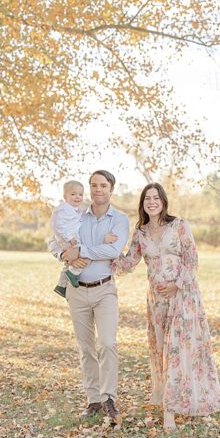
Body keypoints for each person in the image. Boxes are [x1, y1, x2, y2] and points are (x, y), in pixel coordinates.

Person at [113, 182, 220, 431]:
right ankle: (171, 399)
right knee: (163, 350)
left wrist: (178, 284)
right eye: (147, 199)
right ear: (142, 204)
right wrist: (107, 251)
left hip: (183, 295)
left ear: (163, 201)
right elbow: (129, 261)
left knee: (179, 350)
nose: (151, 202)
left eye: (156, 197)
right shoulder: (140, 231)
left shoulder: (179, 225)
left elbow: (192, 258)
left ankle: (171, 411)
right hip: (156, 300)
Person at [51, 170, 129, 423]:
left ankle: (109, 397)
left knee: (107, 343)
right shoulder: (75, 215)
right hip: (77, 291)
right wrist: (64, 255)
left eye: (103, 185)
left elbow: (113, 249)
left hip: (105, 289)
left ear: (111, 189)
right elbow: (53, 242)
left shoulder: (119, 218)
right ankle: (93, 399)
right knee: (86, 348)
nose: (98, 190)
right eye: (93, 185)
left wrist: (81, 249)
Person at [48, 180, 86, 297]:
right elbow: (59, 225)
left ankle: (61, 285)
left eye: (80, 194)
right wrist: (69, 238)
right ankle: (73, 273)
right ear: (65, 196)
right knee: (85, 253)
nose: (77, 197)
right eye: (73, 194)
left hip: (69, 239)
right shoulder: (64, 209)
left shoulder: (75, 210)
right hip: (67, 240)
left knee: (70, 261)